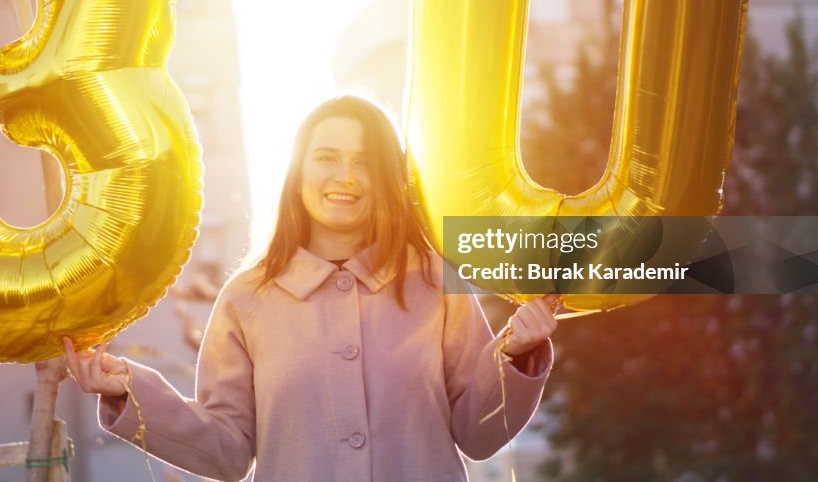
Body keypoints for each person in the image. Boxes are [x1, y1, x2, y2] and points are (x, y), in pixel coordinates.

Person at [64, 94, 557, 482]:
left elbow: (477, 432)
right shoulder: (246, 299)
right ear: (298, 170)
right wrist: (129, 390)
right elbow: (229, 451)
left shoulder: (434, 279)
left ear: (387, 176)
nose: (345, 176)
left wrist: (514, 354)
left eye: (365, 161)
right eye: (327, 157)